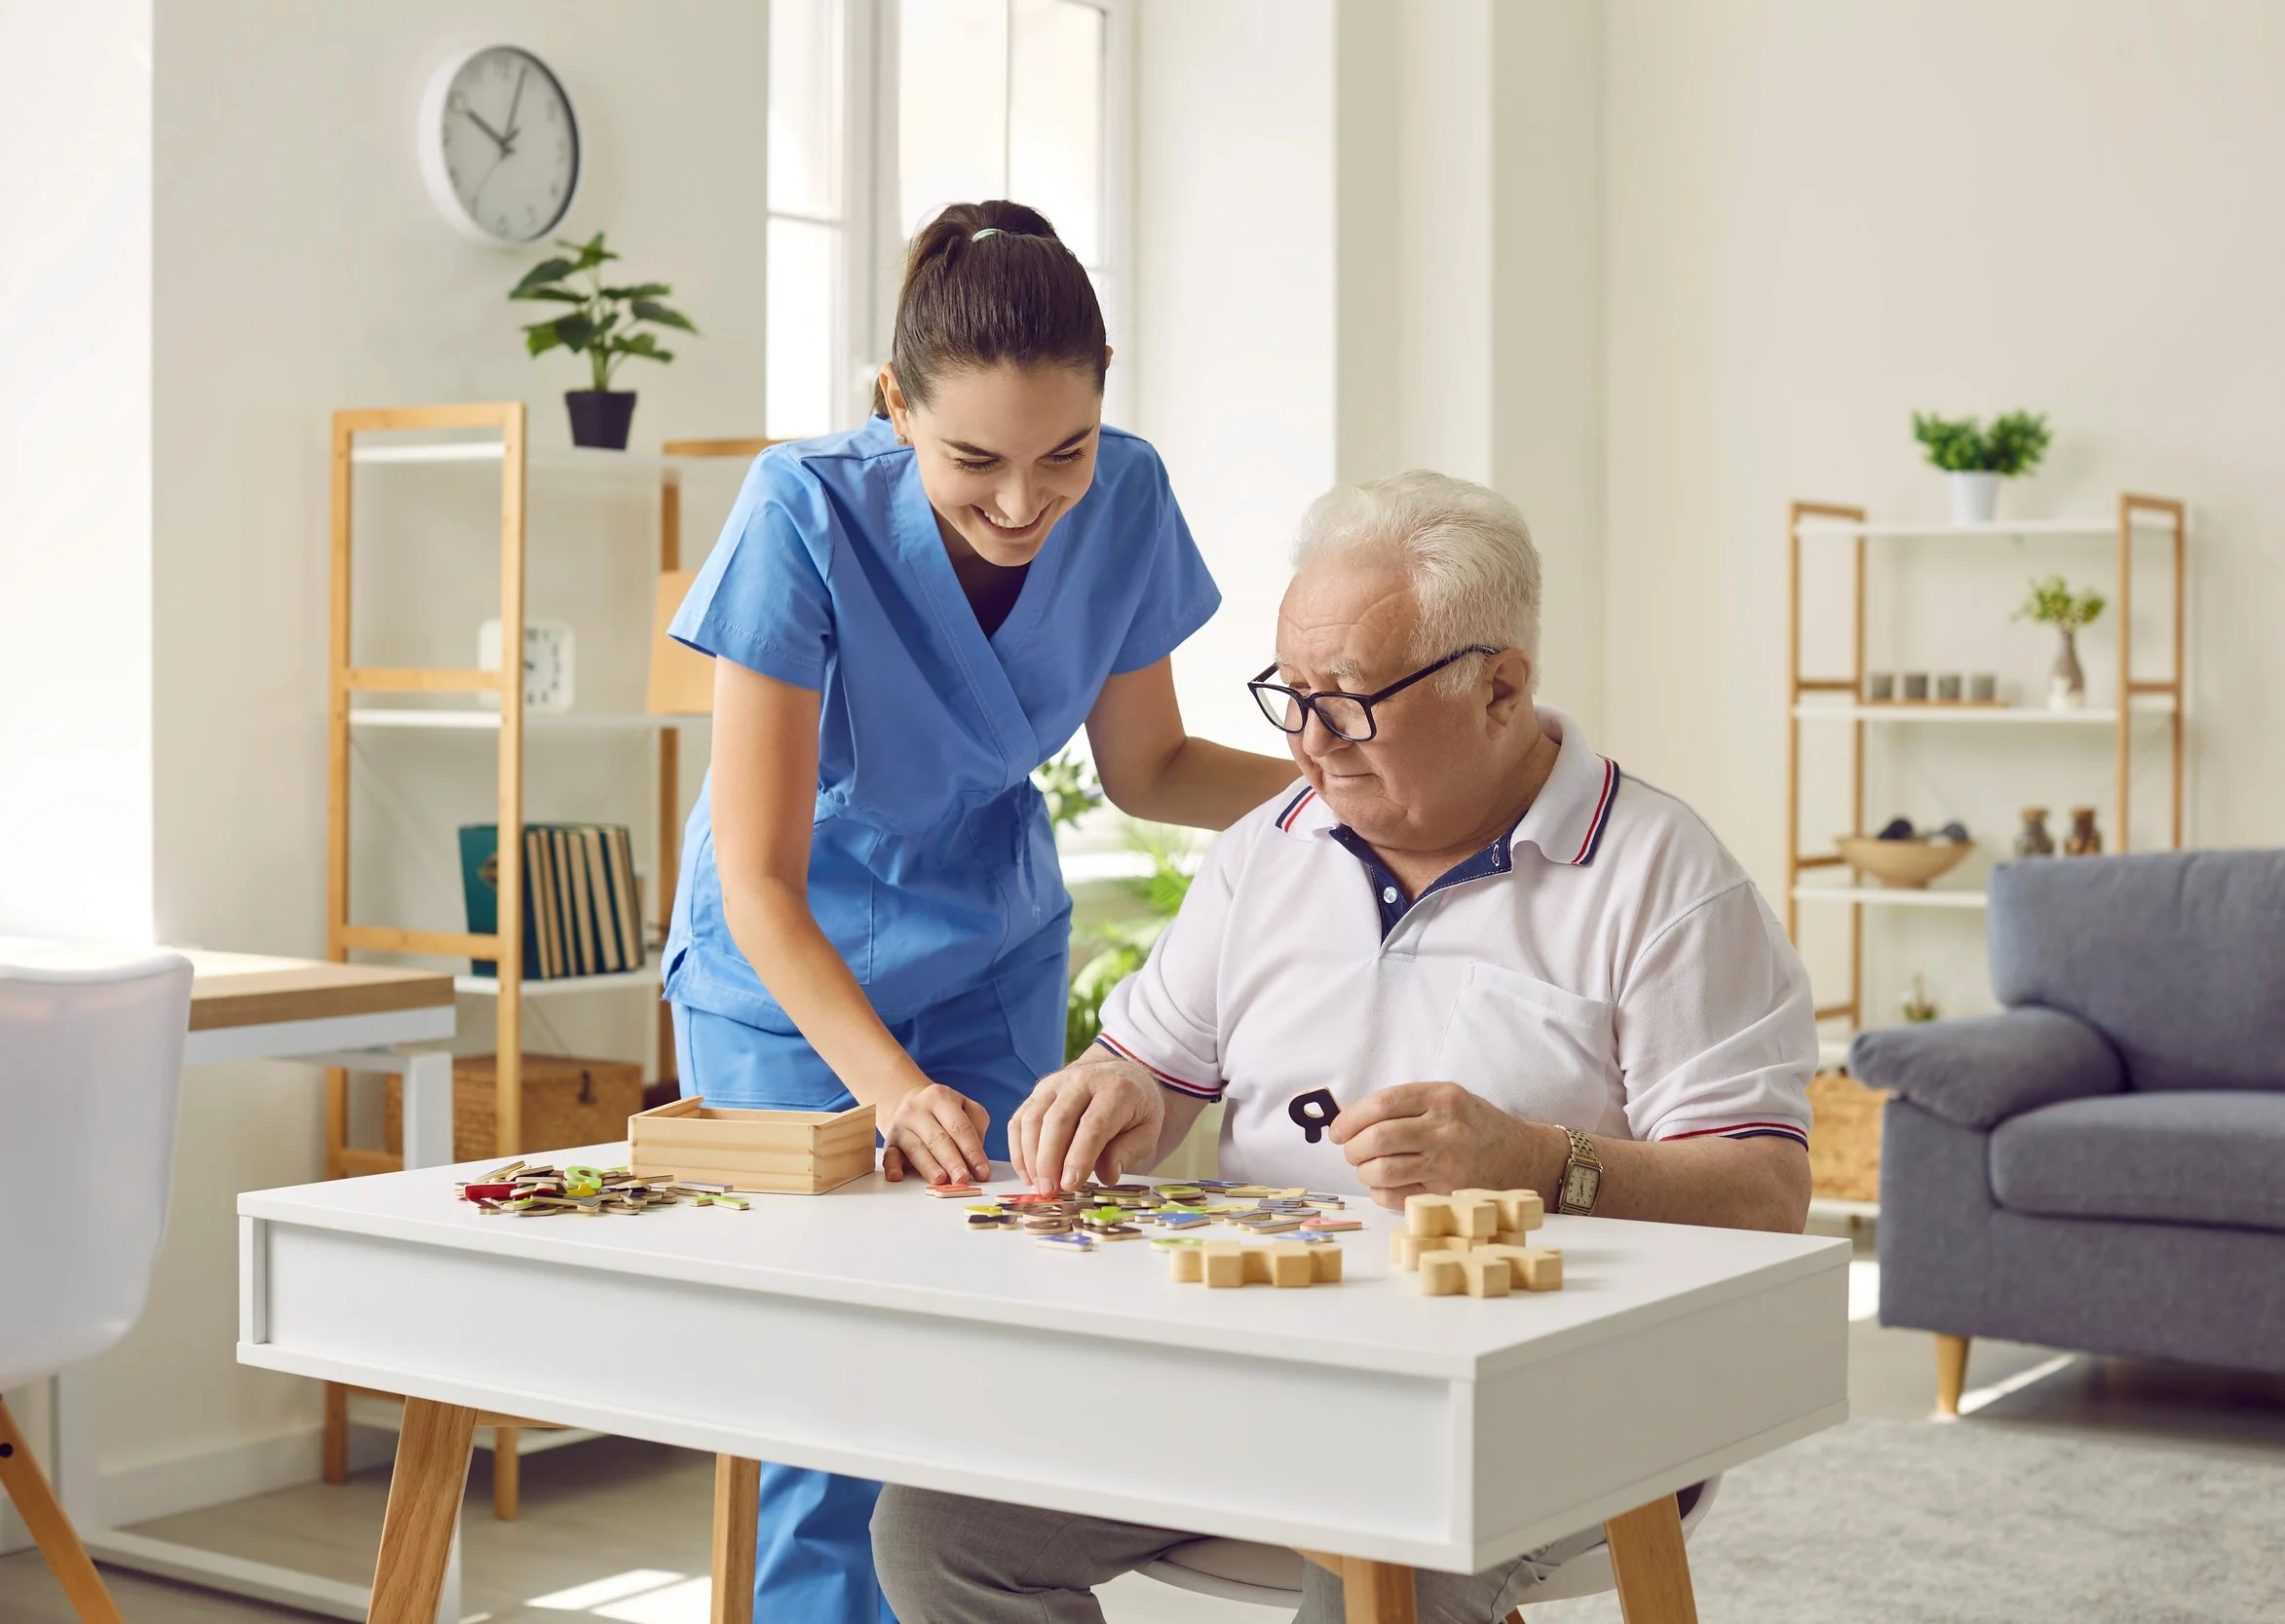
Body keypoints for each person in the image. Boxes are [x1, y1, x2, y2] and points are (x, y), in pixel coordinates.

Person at [868, 471, 1816, 1624]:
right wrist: (1108, 1092)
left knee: (1385, 1556)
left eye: (1351, 701)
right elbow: (1152, 1077)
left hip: (1557, 1396)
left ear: (1501, 688)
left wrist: (1538, 1161)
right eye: (1290, 693)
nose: (1308, 745)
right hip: (1262, 1369)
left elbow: (1765, 1192)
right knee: (938, 1528)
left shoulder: (1665, 877)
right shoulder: (1265, 848)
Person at [660, 200, 1297, 1624]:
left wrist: (1365, 789)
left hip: (994, 941)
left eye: (1060, 452)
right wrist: (887, 1086)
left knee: (1001, 1334)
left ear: (1106, 392)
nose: (1025, 504)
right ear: (895, 406)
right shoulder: (800, 507)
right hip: (789, 975)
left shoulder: (1125, 496)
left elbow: (1152, 768)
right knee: (824, 1386)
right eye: (973, 463)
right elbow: (757, 877)